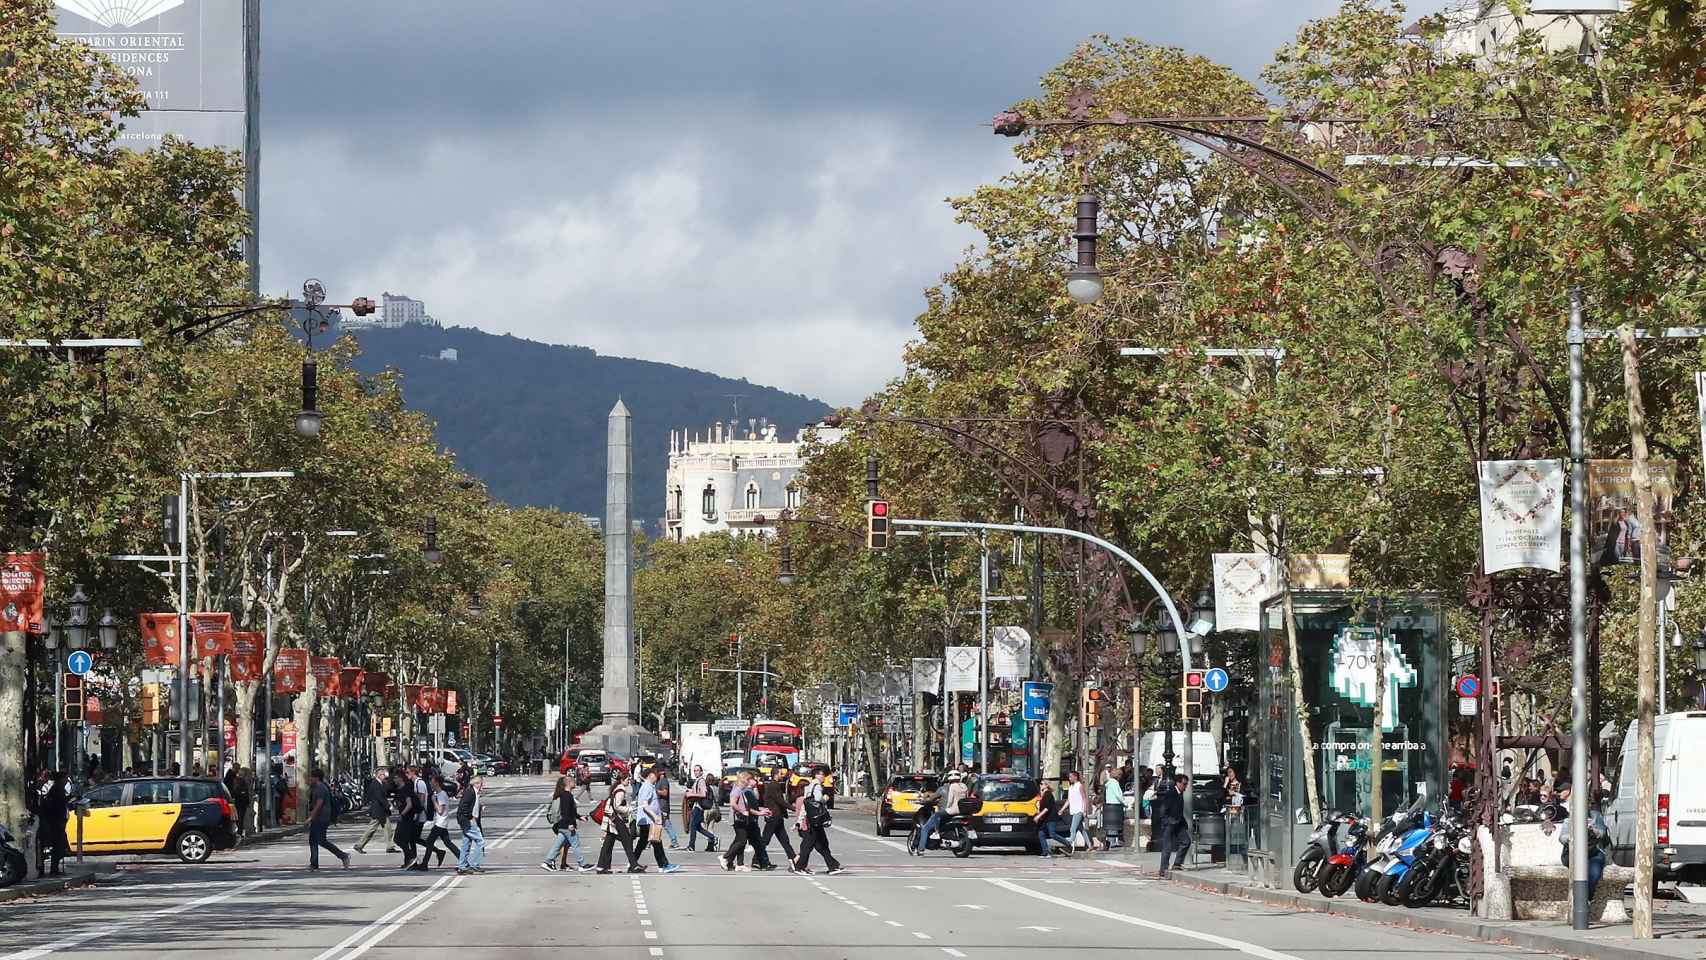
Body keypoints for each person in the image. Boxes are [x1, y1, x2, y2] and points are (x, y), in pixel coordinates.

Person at [792, 766, 842, 875]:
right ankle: (800, 866)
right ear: (817, 775)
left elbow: (806, 805)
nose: (824, 777)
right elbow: (818, 799)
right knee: (810, 844)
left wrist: (800, 820)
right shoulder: (817, 786)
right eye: (823, 775)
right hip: (815, 820)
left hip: (812, 819)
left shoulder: (810, 786)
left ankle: (833, 865)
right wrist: (825, 798)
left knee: (821, 844)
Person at [634, 767, 682, 873]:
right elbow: (645, 805)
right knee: (657, 842)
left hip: (649, 821)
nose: (657, 778)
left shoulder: (649, 786)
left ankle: (632, 862)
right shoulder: (647, 787)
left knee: (643, 843)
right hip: (649, 821)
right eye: (655, 776)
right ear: (650, 776)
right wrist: (655, 817)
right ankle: (663, 865)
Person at [542, 775, 595, 872]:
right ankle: (582, 864)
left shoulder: (564, 795)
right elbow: (565, 812)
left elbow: (571, 811)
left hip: (562, 825)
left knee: (558, 845)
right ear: (568, 783)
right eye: (573, 781)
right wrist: (570, 824)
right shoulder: (567, 796)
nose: (575, 783)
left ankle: (548, 862)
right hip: (566, 825)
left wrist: (579, 817)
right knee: (575, 843)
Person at [722, 772, 772, 871]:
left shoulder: (742, 790)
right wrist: (743, 811)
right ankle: (726, 857)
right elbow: (733, 804)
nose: (751, 781)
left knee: (741, 841)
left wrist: (760, 811)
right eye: (749, 779)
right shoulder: (738, 790)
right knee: (742, 841)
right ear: (745, 780)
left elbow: (748, 806)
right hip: (739, 819)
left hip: (743, 819)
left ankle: (738, 863)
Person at [596, 776, 645, 874]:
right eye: (627, 779)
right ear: (622, 780)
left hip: (612, 819)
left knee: (608, 843)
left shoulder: (617, 789)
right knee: (627, 841)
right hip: (617, 819)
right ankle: (634, 865)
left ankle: (601, 866)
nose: (629, 781)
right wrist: (629, 809)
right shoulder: (620, 790)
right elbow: (617, 806)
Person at [306, 768, 350, 871]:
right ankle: (314, 864)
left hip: (321, 817)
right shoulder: (317, 787)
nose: (309, 779)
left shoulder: (320, 787)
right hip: (319, 817)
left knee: (321, 840)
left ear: (316, 778)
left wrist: (311, 817)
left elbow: (319, 803)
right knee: (313, 840)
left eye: (311, 777)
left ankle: (343, 856)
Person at [416, 774, 459, 870]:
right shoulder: (439, 794)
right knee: (448, 843)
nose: (430, 783)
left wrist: (434, 801)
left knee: (429, 842)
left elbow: (440, 810)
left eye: (432, 781)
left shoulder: (441, 795)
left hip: (440, 823)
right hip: (440, 822)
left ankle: (424, 864)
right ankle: (462, 860)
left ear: (437, 783)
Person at [758, 766, 798, 865]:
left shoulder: (775, 785)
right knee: (765, 839)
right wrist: (793, 808)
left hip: (777, 816)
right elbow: (780, 801)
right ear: (776, 774)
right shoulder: (773, 785)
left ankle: (793, 857)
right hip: (773, 816)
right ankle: (757, 860)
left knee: (784, 839)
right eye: (780, 773)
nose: (782, 775)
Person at [1153, 773, 1190, 877]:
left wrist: (1183, 822)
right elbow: (1163, 809)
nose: (1185, 786)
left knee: (1186, 841)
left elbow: (1179, 810)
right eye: (1184, 784)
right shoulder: (1171, 793)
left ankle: (1177, 863)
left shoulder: (1180, 794)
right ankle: (1163, 869)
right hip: (1170, 823)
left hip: (1178, 823)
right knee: (1167, 847)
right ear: (1178, 783)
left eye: (1186, 784)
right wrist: (1167, 821)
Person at [912, 772, 956, 855]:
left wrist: (923, 801)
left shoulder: (942, 789)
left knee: (925, 829)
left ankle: (921, 849)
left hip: (945, 813)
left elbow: (931, 799)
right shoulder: (961, 788)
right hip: (957, 812)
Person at [35, 771, 69, 878]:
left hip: (56, 821)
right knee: (58, 845)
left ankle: (54, 868)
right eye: (65, 779)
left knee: (58, 845)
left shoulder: (57, 789)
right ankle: (53, 868)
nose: (66, 781)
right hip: (56, 822)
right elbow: (58, 805)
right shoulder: (57, 790)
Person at [354, 768, 392, 854]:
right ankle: (359, 845)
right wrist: (388, 805)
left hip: (382, 811)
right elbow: (379, 797)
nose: (384, 776)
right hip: (378, 810)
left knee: (388, 828)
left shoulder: (380, 783)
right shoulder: (375, 784)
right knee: (371, 829)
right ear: (378, 775)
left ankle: (390, 846)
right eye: (382, 774)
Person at [455, 770, 486, 875]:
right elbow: (463, 808)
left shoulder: (473, 792)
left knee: (466, 844)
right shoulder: (470, 792)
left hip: (467, 820)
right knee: (480, 841)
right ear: (476, 784)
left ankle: (462, 866)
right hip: (467, 821)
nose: (483, 786)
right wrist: (471, 817)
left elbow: (470, 805)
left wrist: (480, 807)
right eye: (481, 784)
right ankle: (475, 865)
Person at [683, 764, 719, 852]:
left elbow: (703, 794)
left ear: (701, 772)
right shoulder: (697, 781)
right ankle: (712, 838)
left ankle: (691, 846)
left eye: (697, 770)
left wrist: (691, 794)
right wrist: (690, 791)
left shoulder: (701, 781)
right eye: (694, 770)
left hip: (698, 807)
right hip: (697, 806)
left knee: (693, 827)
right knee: (698, 827)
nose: (696, 772)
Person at [1034, 778, 1066, 858]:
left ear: (1046, 785)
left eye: (1042, 784)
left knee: (1052, 834)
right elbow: (1041, 807)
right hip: (1045, 819)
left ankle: (1068, 843)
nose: (1040, 785)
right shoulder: (1043, 795)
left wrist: (1038, 816)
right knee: (1041, 833)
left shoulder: (1048, 794)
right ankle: (1046, 852)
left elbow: (1047, 808)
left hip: (1051, 818)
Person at [653, 767, 682, 849]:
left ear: (661, 772)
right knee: (660, 824)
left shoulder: (663, 781)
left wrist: (655, 791)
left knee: (665, 824)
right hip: (659, 806)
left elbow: (665, 793)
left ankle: (674, 841)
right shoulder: (659, 781)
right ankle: (654, 840)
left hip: (663, 806)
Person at [1066, 771, 1090, 852]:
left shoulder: (1079, 786)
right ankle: (1090, 845)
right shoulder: (1070, 788)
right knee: (1081, 829)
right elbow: (1069, 800)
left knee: (1073, 829)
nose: (1069, 779)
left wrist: (1085, 810)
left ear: (1075, 777)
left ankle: (1068, 843)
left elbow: (1084, 798)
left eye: (1070, 777)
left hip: (1079, 810)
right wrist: (1062, 809)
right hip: (1073, 810)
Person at [1102, 766, 1126, 850]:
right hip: (1116, 806)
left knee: (1110, 826)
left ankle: (1109, 842)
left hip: (1109, 806)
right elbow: (1118, 794)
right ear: (1118, 775)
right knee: (1115, 826)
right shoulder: (1115, 783)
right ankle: (1112, 842)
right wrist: (1124, 802)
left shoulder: (1108, 783)